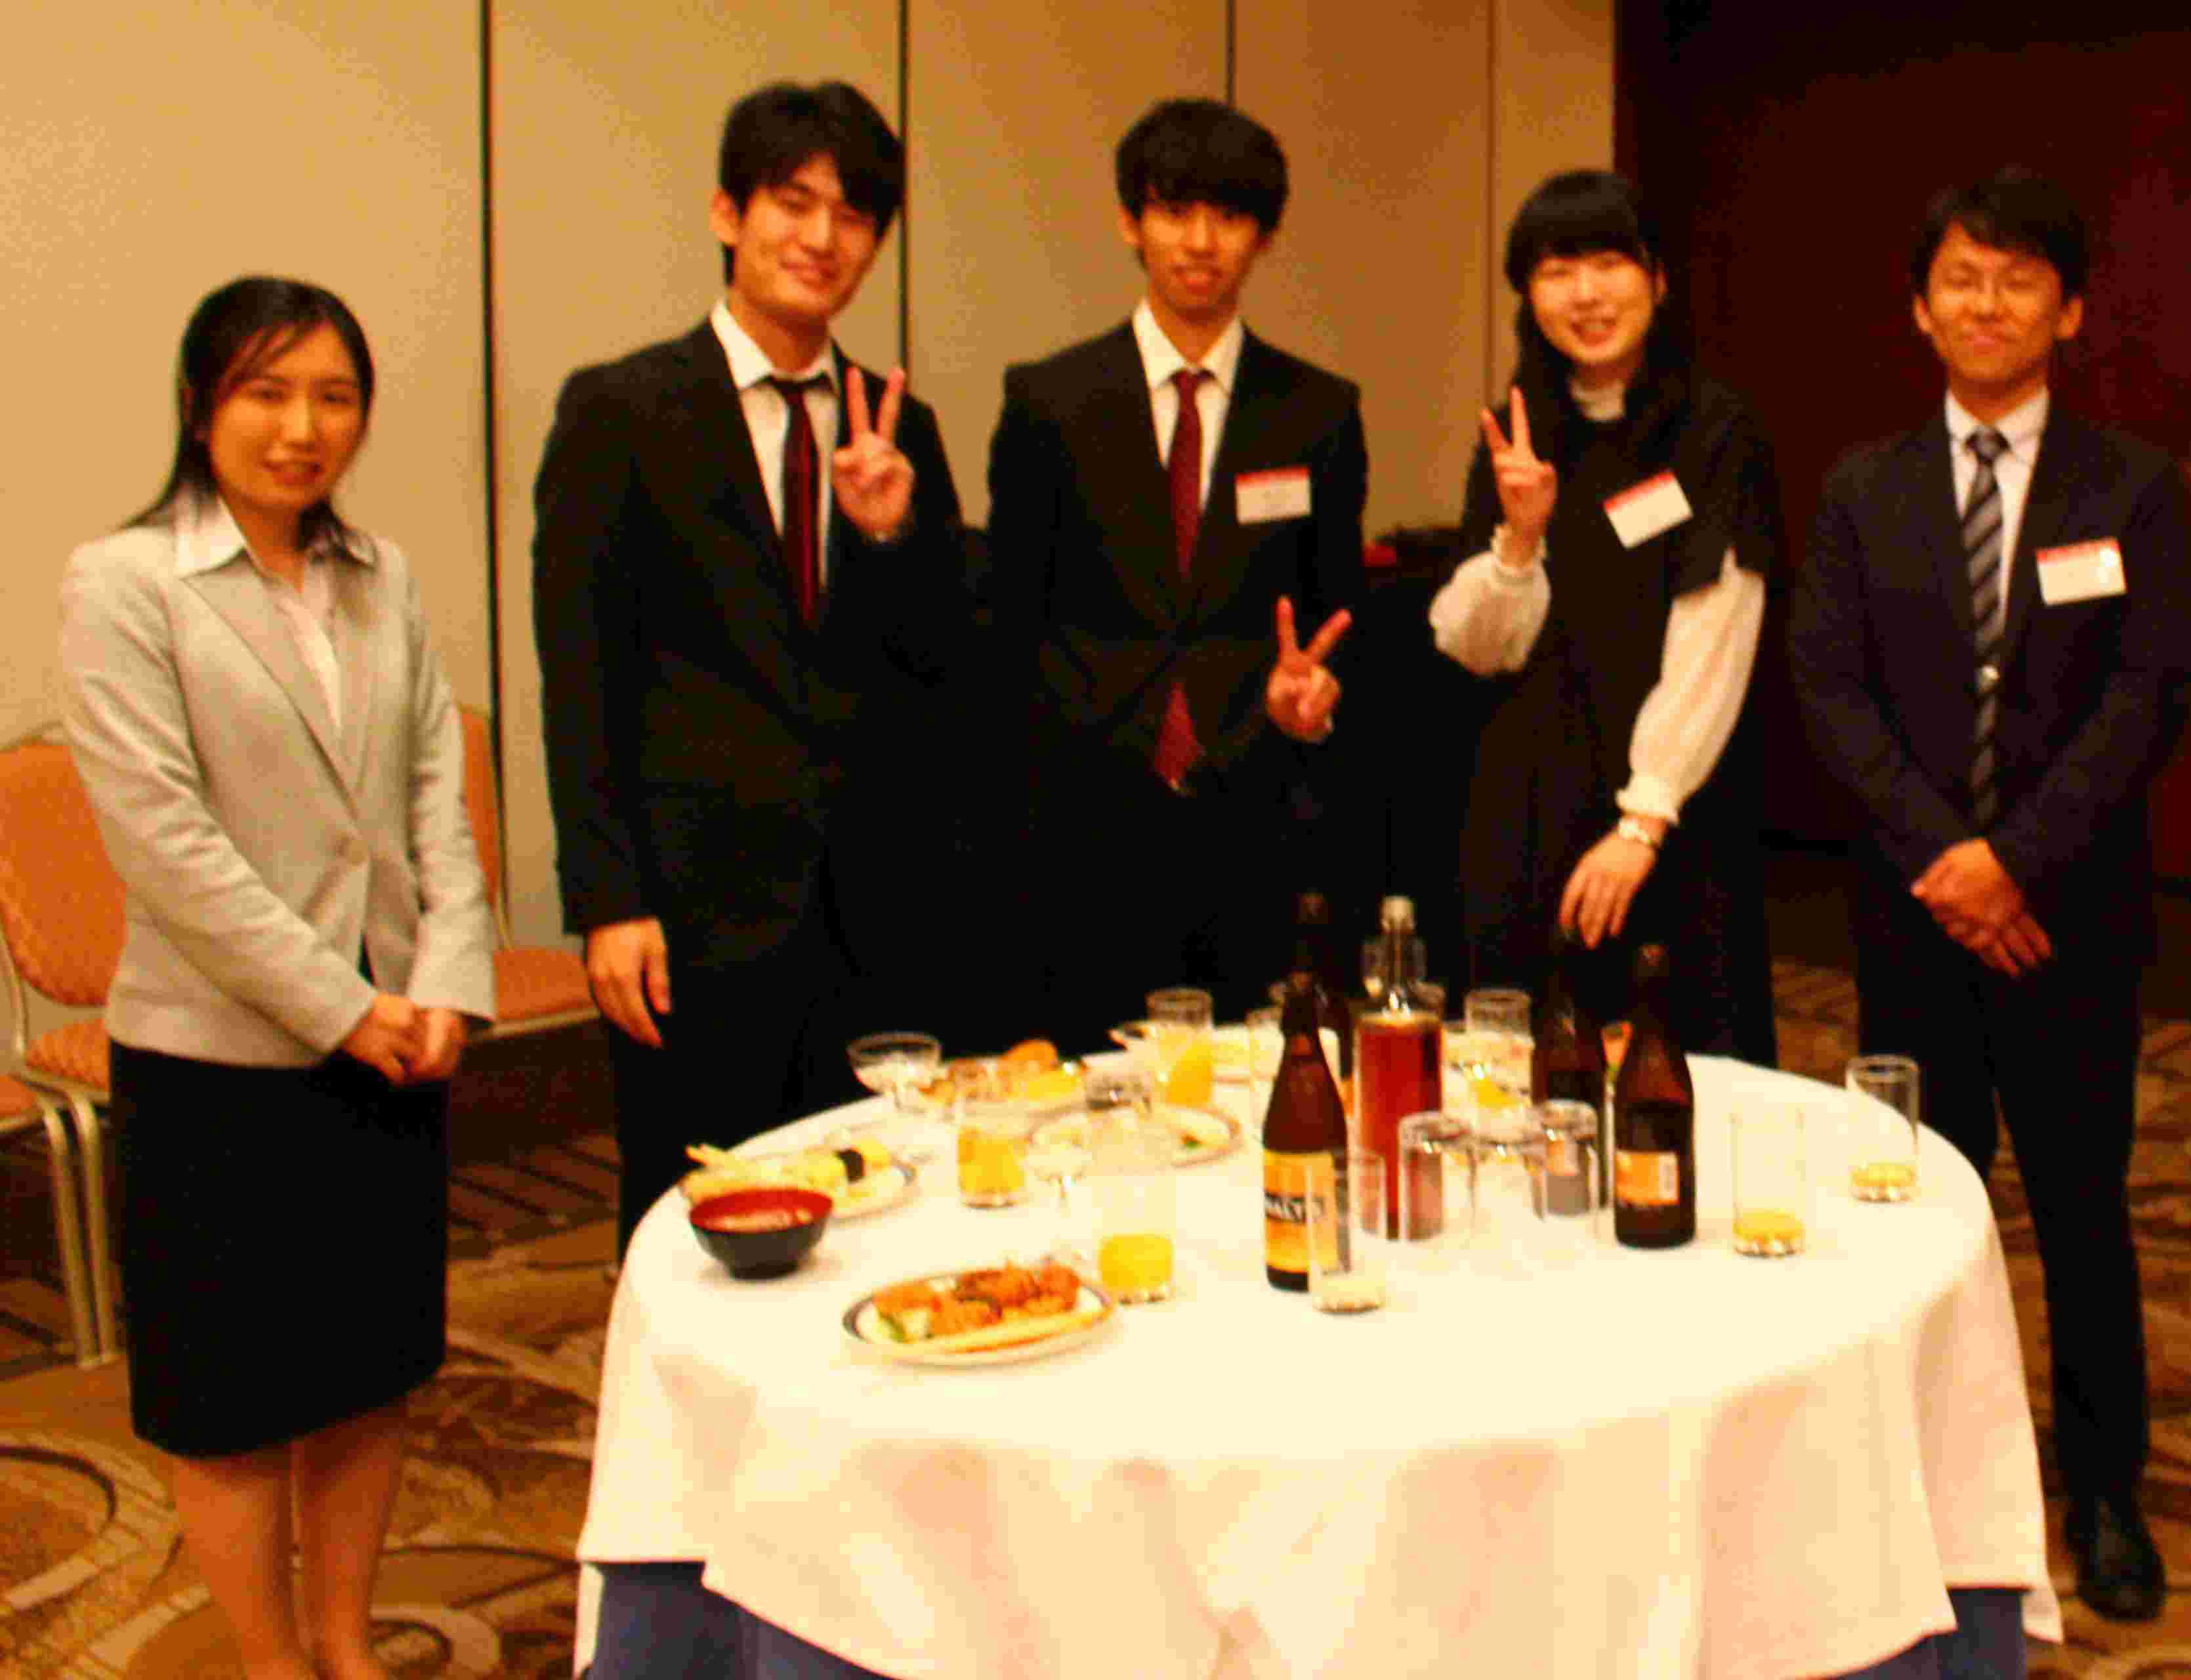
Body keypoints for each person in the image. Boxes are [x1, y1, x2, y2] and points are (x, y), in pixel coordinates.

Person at [58, 279, 496, 1680]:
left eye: (334, 396)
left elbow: (432, 791)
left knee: (369, 1375)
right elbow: (166, 845)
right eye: (268, 392)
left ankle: (346, 1647)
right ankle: (271, 1663)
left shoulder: (382, 575)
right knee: (234, 1405)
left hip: (394, 1042)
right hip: (220, 1061)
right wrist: (345, 1007)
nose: (303, 427)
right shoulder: (125, 583)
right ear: (202, 406)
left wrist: (446, 980)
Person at [1787, 171, 2191, 1623]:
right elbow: (1831, 692)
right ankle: (1911, 1476)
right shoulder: (1863, 488)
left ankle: (2106, 1490)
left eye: (2020, 280)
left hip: (2069, 919)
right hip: (1912, 921)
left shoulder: (2130, 486)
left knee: (2084, 1209)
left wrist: (2016, 859)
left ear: (2070, 311)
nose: (1987, 304)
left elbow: (2149, 693)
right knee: (1913, 1205)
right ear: (1919, 307)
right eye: (1961, 278)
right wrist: (1946, 862)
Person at [533, 81, 970, 1243]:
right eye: (793, 202)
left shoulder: (899, 426)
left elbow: (940, 667)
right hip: (694, 910)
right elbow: (580, 673)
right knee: (698, 1224)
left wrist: (892, 535)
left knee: (879, 1219)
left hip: (872, 910)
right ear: (729, 213)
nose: (823, 237)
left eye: (854, 215)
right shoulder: (621, 410)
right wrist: (608, 901)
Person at [988, 97, 1364, 1032]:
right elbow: (1012, 614)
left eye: (1230, 216)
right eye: (1174, 211)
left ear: (1264, 236)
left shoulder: (1318, 412)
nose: (1201, 242)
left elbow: (1336, 614)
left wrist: (1313, 702)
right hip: (1082, 811)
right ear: (1130, 221)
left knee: (1254, 1078)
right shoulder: (1050, 401)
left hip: (1257, 808)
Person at [1432, 171, 1784, 1059]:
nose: (1585, 295)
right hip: (1526, 811)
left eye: (1608, 263)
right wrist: (1519, 537)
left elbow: (1717, 633)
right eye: (1556, 272)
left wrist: (1643, 819)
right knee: (1519, 1074)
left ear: (1656, 280)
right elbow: (1476, 650)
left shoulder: (1716, 430)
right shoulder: (1517, 431)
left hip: (1670, 816)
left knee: (1674, 1077)